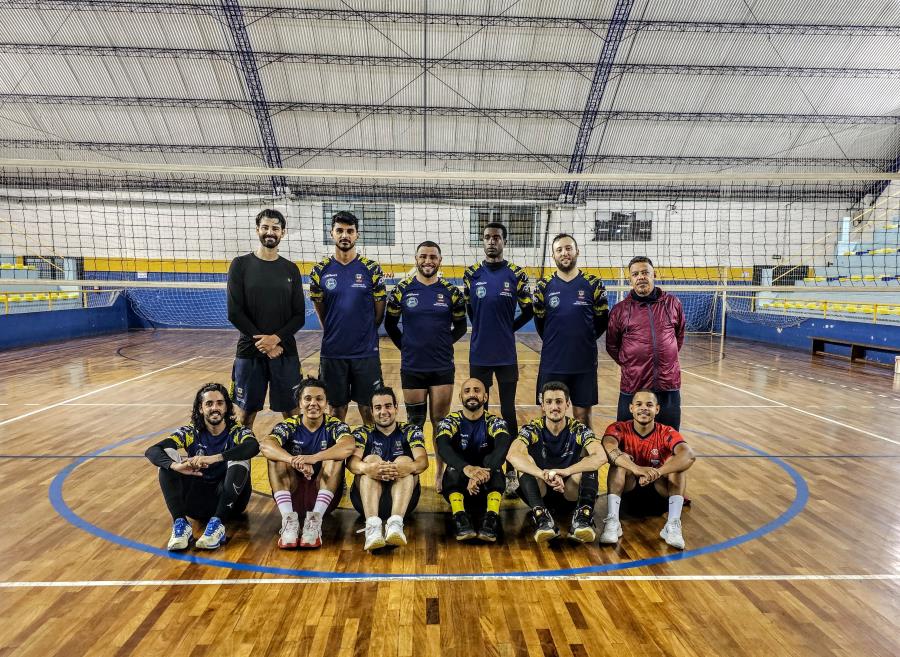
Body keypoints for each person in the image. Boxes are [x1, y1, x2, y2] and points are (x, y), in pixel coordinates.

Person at [385, 240, 466, 493]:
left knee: (440, 423)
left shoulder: (451, 292)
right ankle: (414, 473)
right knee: (415, 423)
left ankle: (440, 473)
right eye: (423, 256)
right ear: (416, 259)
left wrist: (443, 344)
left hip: (442, 368)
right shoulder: (402, 290)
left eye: (433, 257)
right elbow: (390, 324)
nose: (428, 261)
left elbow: (461, 326)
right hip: (413, 367)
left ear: (440, 261)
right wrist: (407, 346)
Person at [145, 383, 259, 551]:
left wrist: (214, 458)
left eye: (220, 403)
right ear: (200, 408)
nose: (215, 408)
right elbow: (152, 450)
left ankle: (218, 523)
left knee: (241, 457)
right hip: (196, 502)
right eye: (209, 404)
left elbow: (253, 446)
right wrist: (175, 466)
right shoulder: (190, 432)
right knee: (167, 458)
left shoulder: (236, 431)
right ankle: (180, 524)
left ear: (226, 407)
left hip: (230, 503)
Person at [463, 222, 533, 493]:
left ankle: (511, 469)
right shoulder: (471, 274)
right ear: (482, 241)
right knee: (477, 410)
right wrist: (483, 328)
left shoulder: (516, 274)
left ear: (504, 241)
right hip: (479, 353)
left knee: (507, 412)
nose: (492, 241)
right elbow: (471, 310)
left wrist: (508, 328)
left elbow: (528, 310)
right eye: (487, 237)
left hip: (506, 354)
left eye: (497, 237)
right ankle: (480, 465)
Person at [226, 208, 306, 429]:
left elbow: (299, 315)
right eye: (265, 227)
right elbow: (234, 312)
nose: (270, 232)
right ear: (257, 230)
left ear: (283, 233)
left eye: (275, 228)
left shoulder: (291, 269)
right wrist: (265, 344)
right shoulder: (240, 265)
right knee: (245, 416)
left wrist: (276, 339)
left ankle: (295, 451)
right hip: (250, 351)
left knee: (292, 414)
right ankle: (242, 453)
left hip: (284, 351)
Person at [259, 377, 356, 549]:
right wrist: (293, 460)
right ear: (300, 403)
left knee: (335, 457)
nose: (313, 403)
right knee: (275, 458)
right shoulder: (290, 425)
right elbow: (266, 445)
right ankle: (289, 521)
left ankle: (315, 522)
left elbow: (348, 445)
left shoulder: (334, 425)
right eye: (308, 399)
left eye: (319, 399)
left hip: (323, 494)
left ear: (326, 403)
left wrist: (314, 458)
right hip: (292, 494)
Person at [309, 210, 386, 425]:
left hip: (365, 353)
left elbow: (379, 312)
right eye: (340, 230)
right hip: (333, 353)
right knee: (336, 410)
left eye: (350, 231)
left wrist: (365, 332)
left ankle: (371, 448)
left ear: (357, 235)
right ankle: (337, 448)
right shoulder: (319, 271)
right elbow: (321, 310)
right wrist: (334, 330)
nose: (345, 235)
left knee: (369, 409)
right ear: (332, 233)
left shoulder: (372, 269)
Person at [506, 381, 606, 543]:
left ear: (567, 404)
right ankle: (542, 518)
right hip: (539, 492)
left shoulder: (578, 429)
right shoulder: (533, 428)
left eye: (559, 401)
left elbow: (601, 456)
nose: (554, 407)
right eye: (549, 402)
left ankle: (582, 518)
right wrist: (543, 474)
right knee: (524, 460)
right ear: (543, 406)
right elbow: (512, 455)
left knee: (589, 461)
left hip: (568, 493)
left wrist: (566, 472)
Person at [598, 390, 696, 549]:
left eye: (649, 405)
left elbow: (689, 455)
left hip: (659, 493)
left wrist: (657, 472)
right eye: (639, 404)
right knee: (620, 460)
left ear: (657, 409)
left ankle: (672, 525)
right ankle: (613, 522)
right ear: (631, 408)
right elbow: (608, 447)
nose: (644, 408)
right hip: (628, 493)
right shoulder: (618, 428)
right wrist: (637, 469)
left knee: (677, 463)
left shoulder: (666, 431)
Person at [532, 233, 608, 430]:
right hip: (553, 362)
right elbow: (540, 323)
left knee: (582, 417)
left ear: (577, 252)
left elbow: (602, 321)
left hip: (583, 363)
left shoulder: (594, 284)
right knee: (549, 416)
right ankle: (551, 451)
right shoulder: (543, 286)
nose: (564, 253)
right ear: (553, 255)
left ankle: (584, 451)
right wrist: (556, 341)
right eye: (559, 250)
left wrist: (584, 339)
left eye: (568, 248)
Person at [606, 256, 686, 430]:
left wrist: (666, 357)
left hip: (668, 384)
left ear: (653, 274)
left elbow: (678, 336)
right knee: (627, 437)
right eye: (635, 274)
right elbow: (612, 345)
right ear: (630, 279)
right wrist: (630, 363)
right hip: (634, 384)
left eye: (645, 272)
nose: (640, 277)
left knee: (670, 436)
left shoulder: (672, 303)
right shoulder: (620, 310)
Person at [347, 387, 429, 551]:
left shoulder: (410, 430)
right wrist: (368, 468)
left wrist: (406, 467)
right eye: (378, 407)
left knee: (404, 460)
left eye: (388, 406)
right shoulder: (362, 432)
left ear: (396, 408)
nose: (383, 411)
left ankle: (396, 524)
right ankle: (372, 527)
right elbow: (352, 463)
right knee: (371, 460)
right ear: (372, 412)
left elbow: (423, 461)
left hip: (403, 501)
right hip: (366, 501)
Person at [435, 378, 512, 542]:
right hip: (459, 486)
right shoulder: (450, 421)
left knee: (496, 468)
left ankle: (491, 517)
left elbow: (503, 447)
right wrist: (467, 469)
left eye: (477, 390)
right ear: (460, 397)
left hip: (487, 486)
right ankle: (460, 517)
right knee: (453, 468)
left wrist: (479, 475)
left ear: (485, 397)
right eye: (467, 391)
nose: (472, 394)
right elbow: (443, 447)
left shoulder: (495, 422)